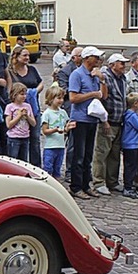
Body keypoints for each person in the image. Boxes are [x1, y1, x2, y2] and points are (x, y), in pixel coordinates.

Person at [68, 46, 108, 200]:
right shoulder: (77, 75)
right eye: (95, 57)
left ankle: (86, 184)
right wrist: (92, 94)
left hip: (92, 119)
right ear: (87, 58)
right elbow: (73, 98)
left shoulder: (95, 75)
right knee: (78, 155)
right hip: (80, 119)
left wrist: (102, 80)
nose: (98, 60)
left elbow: (104, 96)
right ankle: (76, 187)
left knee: (88, 155)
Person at [92, 53, 129, 196]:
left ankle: (112, 181)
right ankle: (99, 181)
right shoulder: (105, 76)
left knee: (114, 154)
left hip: (119, 121)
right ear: (112, 64)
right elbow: (101, 100)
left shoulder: (122, 78)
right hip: (107, 121)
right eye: (121, 63)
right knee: (102, 152)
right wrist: (104, 120)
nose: (124, 66)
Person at [8, 45, 43, 166]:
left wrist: (33, 92)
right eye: (25, 55)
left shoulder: (32, 69)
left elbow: (41, 83)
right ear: (16, 57)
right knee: (19, 139)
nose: (28, 57)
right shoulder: (10, 72)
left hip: (33, 108)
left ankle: (36, 166)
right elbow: (9, 89)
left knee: (35, 139)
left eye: (28, 55)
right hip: (17, 109)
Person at [57, 46, 83, 181]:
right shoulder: (65, 71)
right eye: (81, 55)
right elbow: (64, 90)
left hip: (84, 109)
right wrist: (80, 91)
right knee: (72, 141)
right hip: (71, 108)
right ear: (74, 57)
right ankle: (69, 171)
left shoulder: (87, 71)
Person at [41, 86, 75, 179]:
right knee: (48, 167)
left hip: (60, 146)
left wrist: (68, 127)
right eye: (58, 98)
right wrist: (55, 130)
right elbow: (45, 131)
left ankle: (57, 181)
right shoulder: (47, 113)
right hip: (50, 146)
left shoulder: (63, 112)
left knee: (57, 167)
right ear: (51, 99)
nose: (61, 100)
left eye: (62, 98)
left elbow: (65, 128)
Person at [121, 92, 138, 199]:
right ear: (135, 104)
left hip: (131, 144)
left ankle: (130, 186)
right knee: (130, 167)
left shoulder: (131, 114)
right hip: (131, 145)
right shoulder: (133, 116)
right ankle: (128, 187)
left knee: (131, 166)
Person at [4, 83, 36, 162]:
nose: (24, 96)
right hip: (14, 138)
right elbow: (8, 125)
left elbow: (33, 123)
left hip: (25, 137)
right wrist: (19, 116)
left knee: (24, 160)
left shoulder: (28, 106)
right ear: (15, 95)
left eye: (25, 94)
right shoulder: (10, 107)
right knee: (13, 160)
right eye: (22, 94)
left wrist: (27, 117)